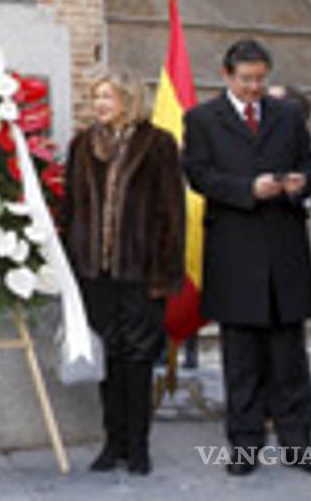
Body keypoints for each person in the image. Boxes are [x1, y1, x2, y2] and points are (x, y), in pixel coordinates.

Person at [182, 39, 311, 476]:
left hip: (284, 248)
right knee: (241, 358)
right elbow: (197, 173)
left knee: (290, 357)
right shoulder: (202, 119)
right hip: (233, 250)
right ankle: (244, 446)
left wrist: (301, 182)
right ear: (227, 75)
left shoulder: (287, 114)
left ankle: (298, 444)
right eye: (246, 79)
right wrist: (247, 189)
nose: (254, 88)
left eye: (260, 79)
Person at [58, 71, 184, 475]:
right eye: (96, 97)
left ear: (129, 99)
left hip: (142, 271)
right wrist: (69, 262)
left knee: (139, 356)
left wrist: (164, 273)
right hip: (95, 272)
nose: (100, 104)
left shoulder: (158, 143)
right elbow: (71, 208)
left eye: (107, 97)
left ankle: (139, 445)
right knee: (107, 356)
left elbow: (172, 213)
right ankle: (112, 443)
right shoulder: (82, 144)